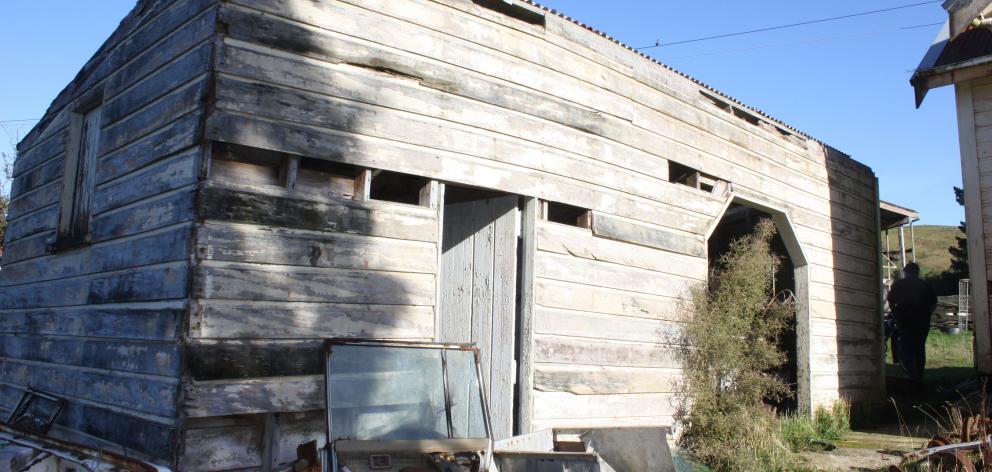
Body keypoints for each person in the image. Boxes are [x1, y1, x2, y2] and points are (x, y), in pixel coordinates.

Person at [885, 263, 937, 382]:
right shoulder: (925, 285)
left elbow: (891, 301)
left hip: (905, 321)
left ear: (906, 272)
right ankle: (919, 374)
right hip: (922, 322)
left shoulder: (899, 284)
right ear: (917, 272)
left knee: (906, 348)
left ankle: (911, 373)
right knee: (919, 348)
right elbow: (933, 304)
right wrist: (926, 314)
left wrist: (897, 313)